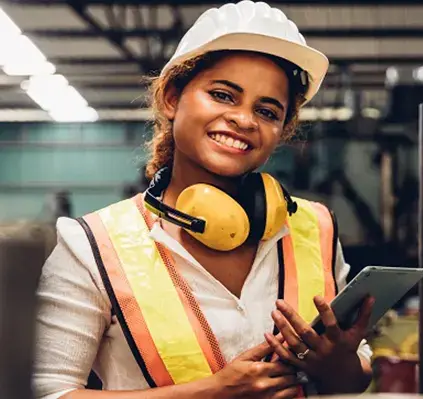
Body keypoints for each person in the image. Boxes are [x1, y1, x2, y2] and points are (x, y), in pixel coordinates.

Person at [32, 2, 375, 398]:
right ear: (173, 97)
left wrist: (342, 367)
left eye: (266, 110)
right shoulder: (90, 246)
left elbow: (356, 372)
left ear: (282, 130)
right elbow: (46, 393)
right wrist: (212, 392)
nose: (244, 120)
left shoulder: (315, 228)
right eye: (223, 95)